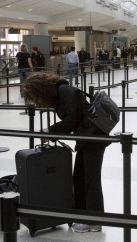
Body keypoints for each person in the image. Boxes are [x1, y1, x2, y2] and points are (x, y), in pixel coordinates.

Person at [21, 72, 110, 233]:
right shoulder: (58, 95)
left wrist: (50, 131)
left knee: (91, 180)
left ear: (41, 90)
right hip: (86, 138)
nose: (37, 101)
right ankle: (83, 215)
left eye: (36, 97)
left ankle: (95, 220)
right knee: (79, 177)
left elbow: (72, 119)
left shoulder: (65, 91)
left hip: (94, 139)